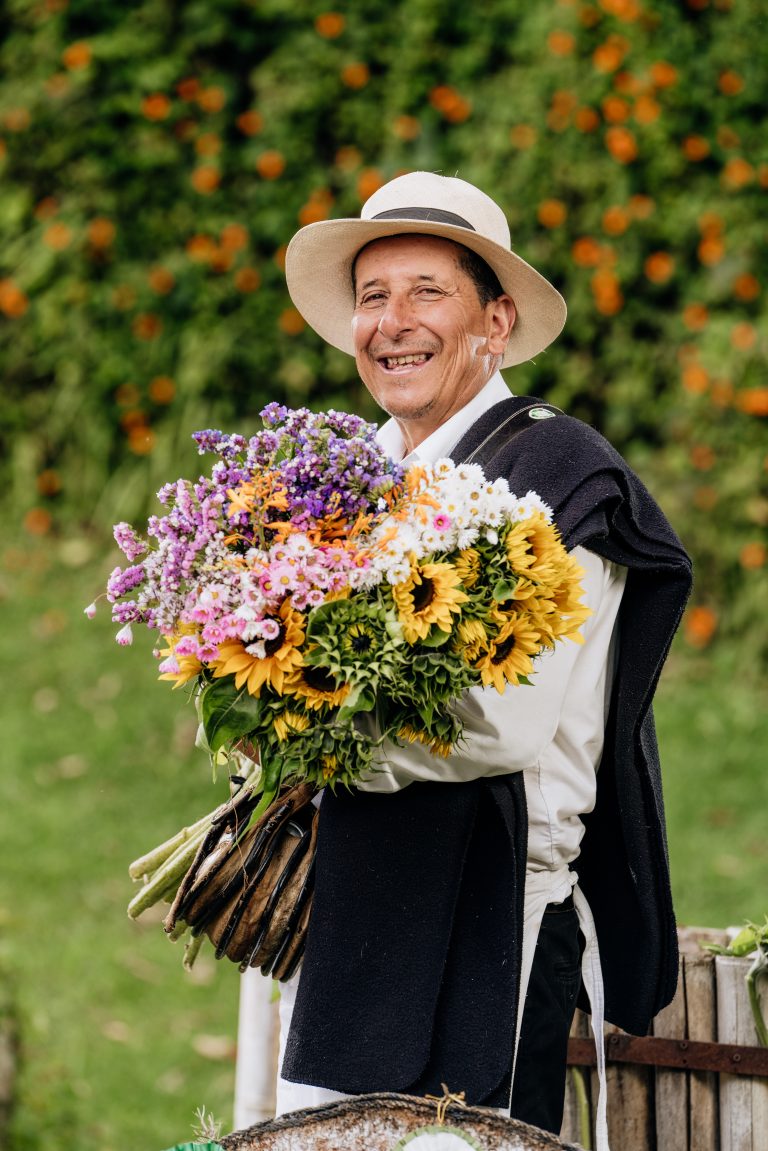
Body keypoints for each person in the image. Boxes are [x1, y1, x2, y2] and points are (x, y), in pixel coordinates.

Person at [255, 171, 691, 1143]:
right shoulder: (345, 482)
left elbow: (502, 724)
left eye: (427, 291)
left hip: (495, 917)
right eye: (373, 296)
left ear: (494, 323)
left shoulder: (558, 474)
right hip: (354, 913)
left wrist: (308, 738)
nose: (392, 321)